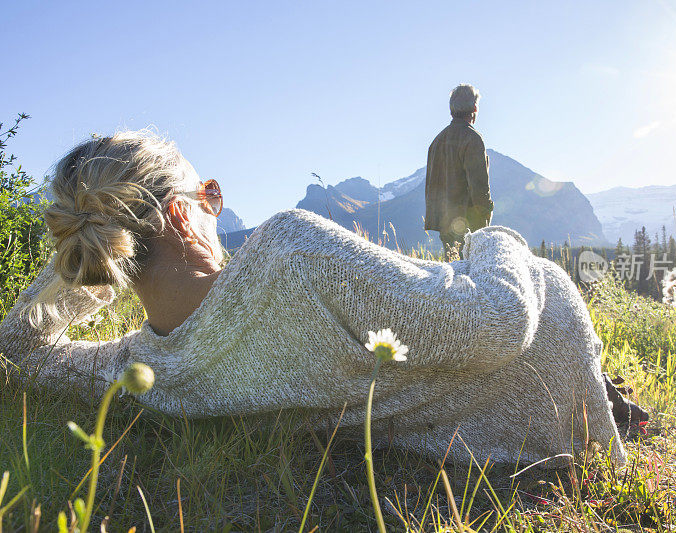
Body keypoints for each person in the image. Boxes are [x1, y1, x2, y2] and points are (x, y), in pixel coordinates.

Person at [0, 131, 642, 468]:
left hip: (489, 422)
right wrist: (494, 239)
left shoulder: (140, 374)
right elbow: (499, 322)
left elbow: (16, 349)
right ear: (180, 212)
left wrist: (85, 261)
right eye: (210, 197)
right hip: (539, 378)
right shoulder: (288, 252)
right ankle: (609, 397)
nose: (217, 209)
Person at [425, 84, 494, 258]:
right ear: (475, 108)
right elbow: (479, 188)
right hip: (470, 225)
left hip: (445, 225)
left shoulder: (436, 142)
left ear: (451, 109)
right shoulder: (472, 139)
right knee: (475, 279)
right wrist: (486, 213)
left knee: (454, 276)